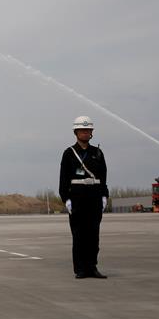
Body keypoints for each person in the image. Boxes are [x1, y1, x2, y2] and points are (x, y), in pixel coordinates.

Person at [59, 116, 109, 279]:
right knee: (79, 235)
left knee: (93, 235)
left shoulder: (98, 153)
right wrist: (66, 198)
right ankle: (80, 269)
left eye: (88, 130)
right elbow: (63, 178)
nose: (86, 133)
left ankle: (92, 267)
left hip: (94, 197)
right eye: (83, 130)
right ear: (76, 132)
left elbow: (103, 176)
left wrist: (104, 196)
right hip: (78, 198)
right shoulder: (69, 153)